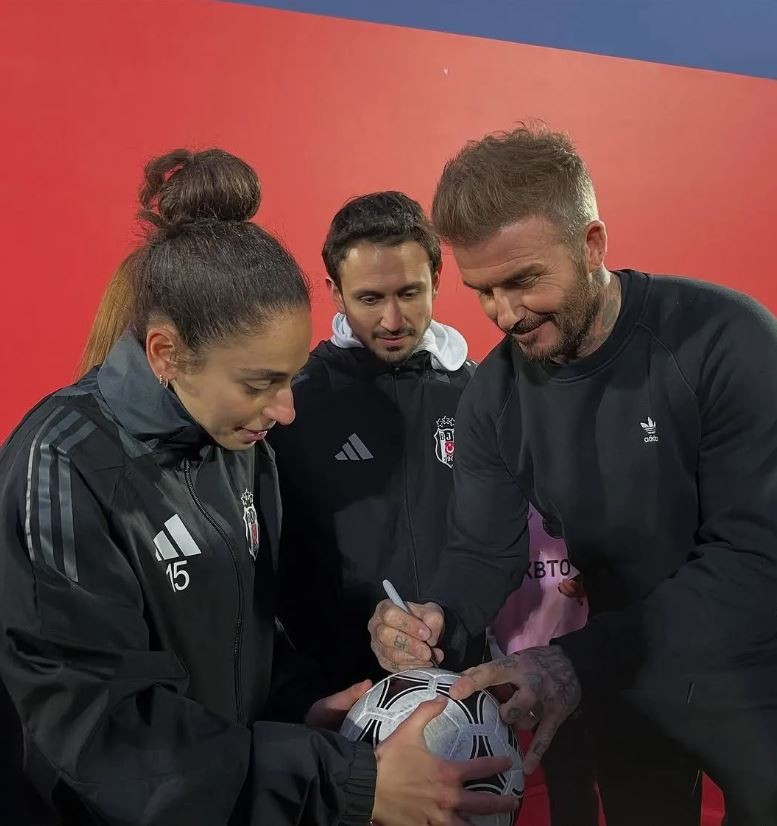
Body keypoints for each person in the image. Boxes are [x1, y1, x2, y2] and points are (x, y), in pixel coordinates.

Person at [0, 148, 519, 826]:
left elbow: (244, 637)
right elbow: (105, 736)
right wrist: (347, 782)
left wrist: (299, 704)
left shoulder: (240, 447)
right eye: (260, 383)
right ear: (166, 354)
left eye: (289, 376)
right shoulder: (60, 465)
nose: (286, 409)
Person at [367, 125, 777, 826]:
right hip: (621, 681)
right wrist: (434, 614)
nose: (504, 313)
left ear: (591, 245)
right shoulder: (493, 394)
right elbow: (481, 550)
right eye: (482, 290)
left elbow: (756, 560)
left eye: (523, 280)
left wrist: (571, 663)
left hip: (754, 670)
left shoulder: (724, 340)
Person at [269, 190, 485, 694]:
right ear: (335, 292)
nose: (392, 320)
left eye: (409, 293)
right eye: (370, 298)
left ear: (436, 280)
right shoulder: (290, 406)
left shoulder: (481, 395)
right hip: (338, 693)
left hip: (465, 682)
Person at [490, 506, 598, 826]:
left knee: (572, 783)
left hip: (572, 674)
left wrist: (593, 579)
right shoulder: (496, 501)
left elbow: (623, 561)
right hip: (507, 674)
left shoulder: (576, 499)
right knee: (502, 787)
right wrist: (493, 657)